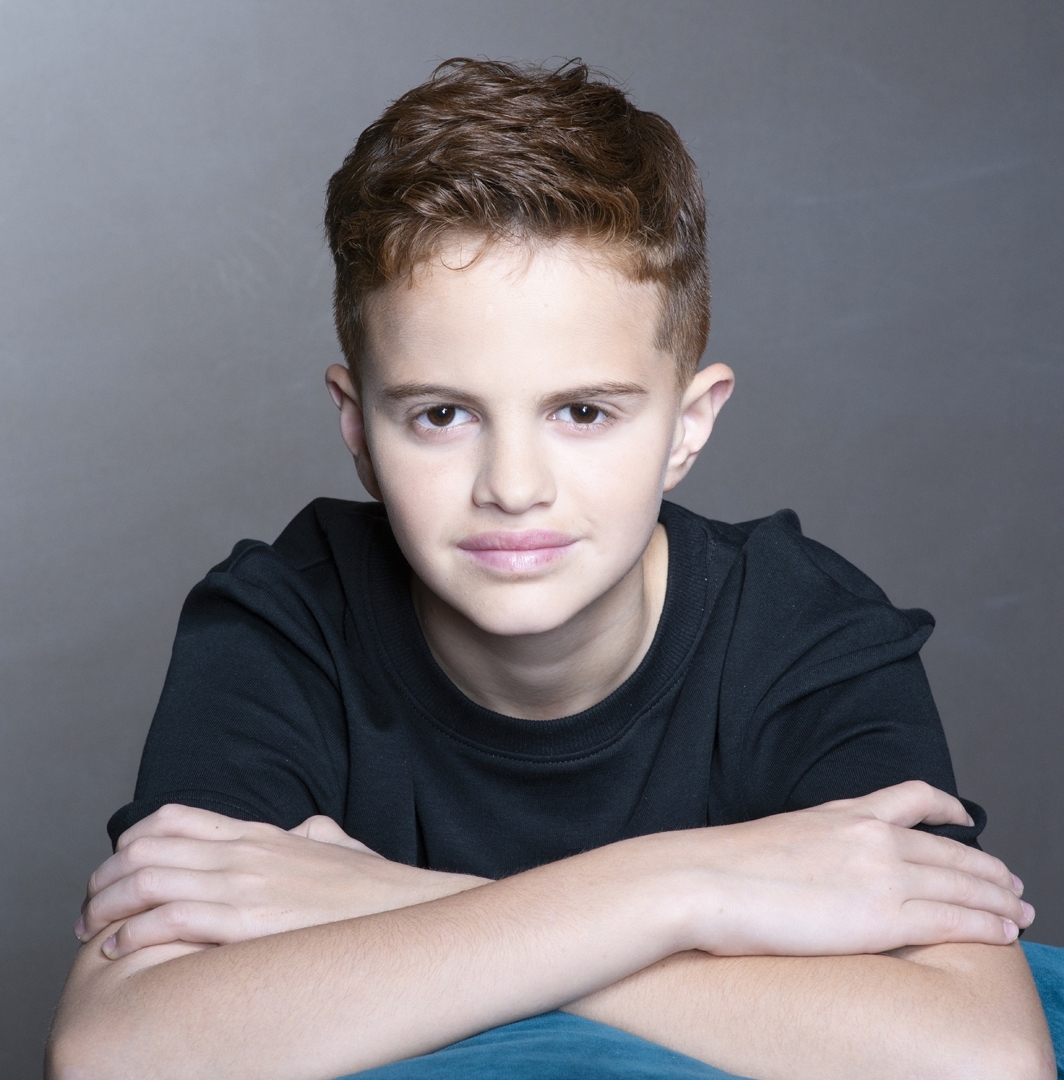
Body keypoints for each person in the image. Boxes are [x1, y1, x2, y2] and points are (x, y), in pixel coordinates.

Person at [47, 59, 1055, 1080]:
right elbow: (114, 1053)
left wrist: (393, 903)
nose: (513, 487)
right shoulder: (284, 618)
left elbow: (983, 1059)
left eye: (582, 412)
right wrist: (682, 892)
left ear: (686, 425)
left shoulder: (804, 631)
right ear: (357, 427)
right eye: (442, 415)